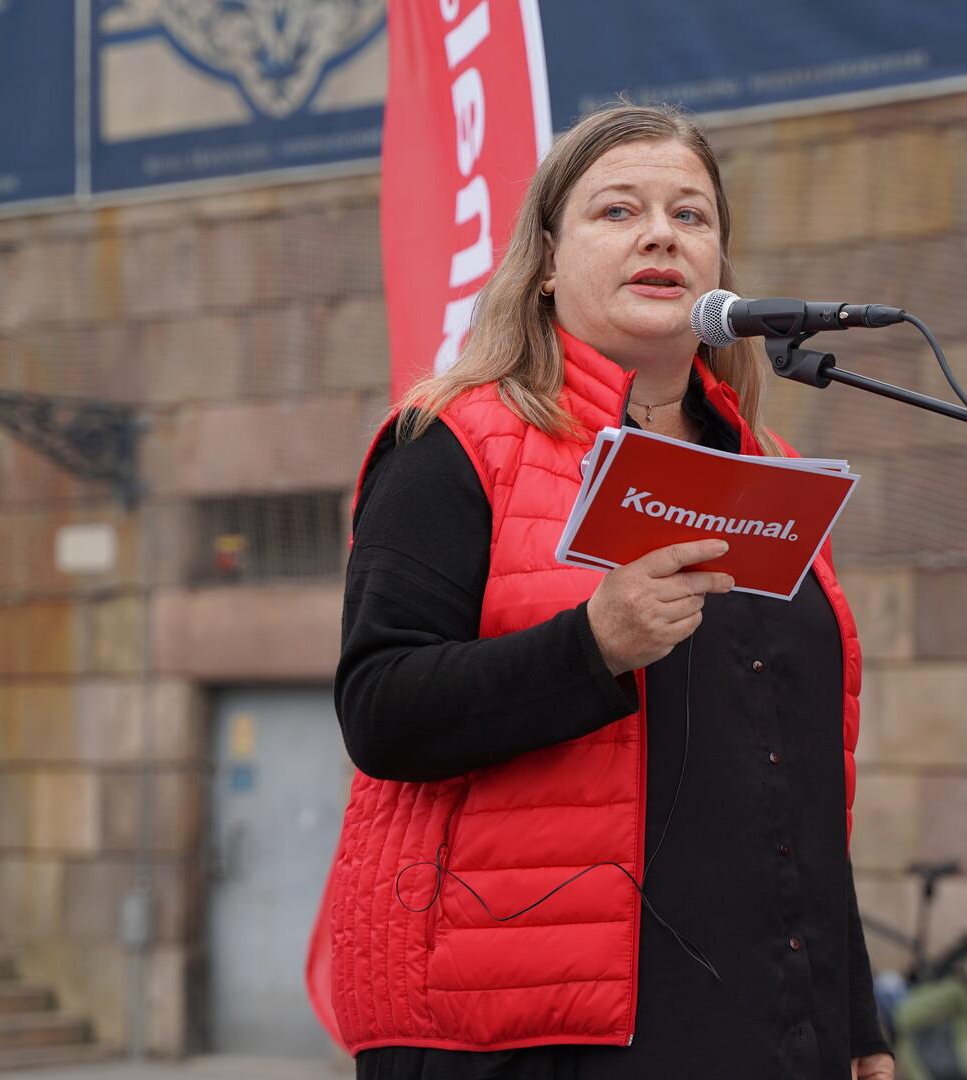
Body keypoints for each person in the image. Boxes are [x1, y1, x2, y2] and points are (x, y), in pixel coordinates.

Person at [312, 103, 894, 1080]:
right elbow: (379, 711)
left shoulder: (770, 475)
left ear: (721, 270)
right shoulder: (455, 444)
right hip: (533, 1033)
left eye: (691, 215)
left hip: (757, 1025)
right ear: (544, 259)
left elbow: (789, 778)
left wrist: (853, 1022)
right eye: (618, 211)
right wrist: (589, 648)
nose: (662, 233)